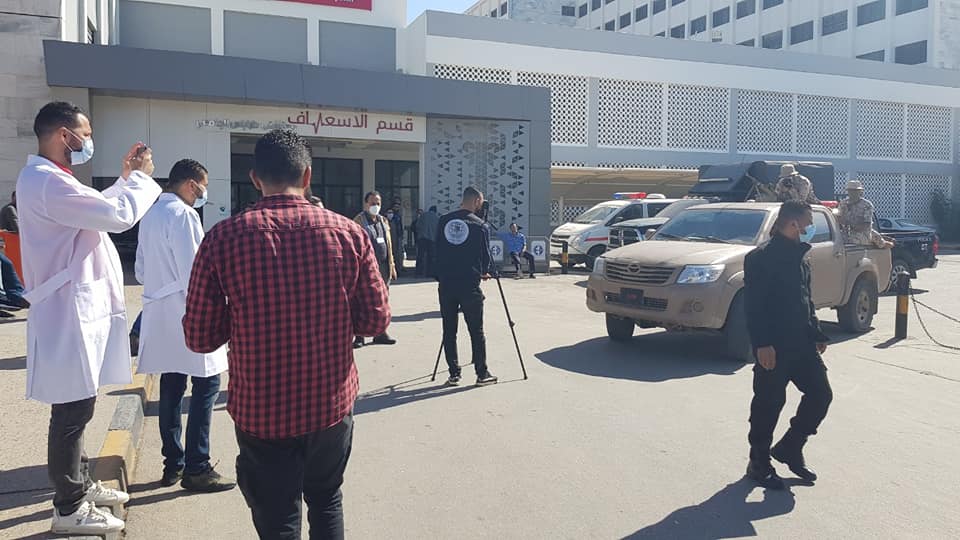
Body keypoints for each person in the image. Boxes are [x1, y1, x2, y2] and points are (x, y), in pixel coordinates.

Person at [183, 129, 390, 539]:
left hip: (262, 410)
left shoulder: (222, 238)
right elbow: (374, 321)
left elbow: (200, 337)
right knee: (326, 499)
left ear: (255, 178)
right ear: (308, 176)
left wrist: (242, 317)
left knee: (278, 519)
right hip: (330, 405)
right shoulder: (349, 234)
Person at [17, 101, 161, 534]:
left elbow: (97, 206)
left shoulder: (52, 180)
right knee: (72, 410)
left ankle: (79, 484)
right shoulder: (47, 182)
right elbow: (117, 216)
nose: (89, 141)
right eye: (87, 133)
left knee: (78, 402)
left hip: (73, 309)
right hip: (67, 311)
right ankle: (69, 506)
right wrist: (141, 179)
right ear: (65, 135)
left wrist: (125, 180)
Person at [135, 159, 235, 492]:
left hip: (160, 313)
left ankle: (173, 464)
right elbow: (196, 272)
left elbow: (140, 270)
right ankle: (197, 466)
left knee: (171, 387)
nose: (203, 193)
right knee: (206, 386)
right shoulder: (184, 215)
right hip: (188, 311)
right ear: (192, 184)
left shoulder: (150, 214)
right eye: (203, 186)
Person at [743, 200, 833, 490]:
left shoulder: (800, 255)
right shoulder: (761, 258)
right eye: (808, 223)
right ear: (793, 223)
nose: (810, 228)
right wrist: (762, 344)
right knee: (768, 404)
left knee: (821, 395)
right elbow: (754, 306)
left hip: (802, 344)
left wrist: (817, 333)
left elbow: (805, 300)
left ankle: (790, 447)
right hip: (774, 345)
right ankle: (758, 462)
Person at [434, 187, 498, 387]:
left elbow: (437, 250)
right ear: (477, 201)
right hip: (469, 284)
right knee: (476, 331)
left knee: (449, 330)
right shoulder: (480, 225)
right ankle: (481, 373)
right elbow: (485, 257)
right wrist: (484, 271)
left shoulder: (444, 220)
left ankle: (454, 373)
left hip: (447, 283)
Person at [353, 191, 397, 348]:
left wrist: (392, 265)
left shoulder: (383, 221)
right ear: (366, 204)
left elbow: (389, 244)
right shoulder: (358, 221)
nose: (375, 206)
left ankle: (381, 333)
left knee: (383, 300)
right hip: (366, 267)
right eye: (372, 203)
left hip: (383, 266)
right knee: (362, 301)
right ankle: (359, 336)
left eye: (378, 203)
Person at [838, 180, 894, 249]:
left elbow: (866, 225)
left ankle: (885, 244)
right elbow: (838, 219)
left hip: (861, 237)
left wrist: (851, 225)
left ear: (860, 192)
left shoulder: (867, 205)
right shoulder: (843, 203)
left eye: (855, 191)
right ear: (848, 191)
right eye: (851, 191)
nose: (853, 193)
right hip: (844, 237)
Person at [415, 205, 439, 278]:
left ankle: (419, 272)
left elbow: (417, 226)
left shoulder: (423, 215)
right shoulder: (437, 218)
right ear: (435, 211)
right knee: (431, 257)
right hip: (432, 240)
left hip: (422, 238)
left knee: (420, 256)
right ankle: (430, 273)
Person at [388, 199, 404, 275]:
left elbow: (400, 226)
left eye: (398, 206)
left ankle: (399, 269)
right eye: (396, 206)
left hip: (398, 236)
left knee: (399, 254)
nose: (397, 207)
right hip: (392, 236)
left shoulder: (398, 215)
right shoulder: (391, 214)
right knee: (393, 253)